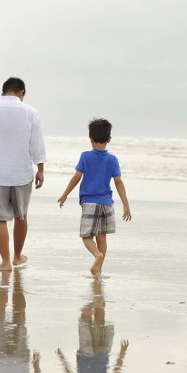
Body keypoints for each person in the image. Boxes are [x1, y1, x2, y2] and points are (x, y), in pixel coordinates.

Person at [0, 77, 46, 272]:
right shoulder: (31, 112)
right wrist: (40, 169)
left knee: (0, 218)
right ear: (22, 93)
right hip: (22, 172)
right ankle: (17, 256)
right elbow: (37, 143)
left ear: (3, 93)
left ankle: (5, 262)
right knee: (21, 215)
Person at [57, 118, 131, 279]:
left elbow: (77, 177)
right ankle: (99, 270)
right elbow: (118, 182)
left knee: (87, 236)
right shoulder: (112, 160)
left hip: (89, 203)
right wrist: (126, 204)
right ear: (109, 140)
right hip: (106, 204)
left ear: (90, 138)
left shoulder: (85, 156)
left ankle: (97, 256)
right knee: (102, 236)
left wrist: (65, 195)